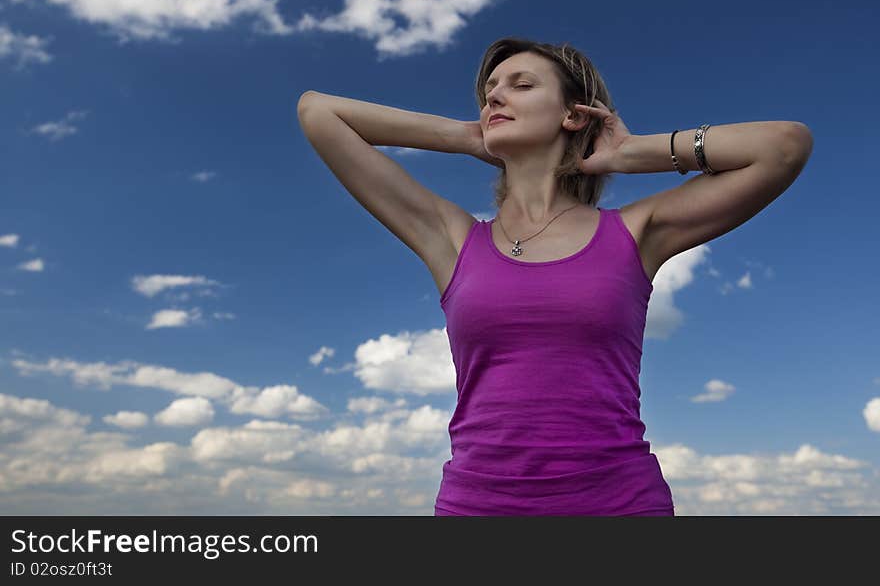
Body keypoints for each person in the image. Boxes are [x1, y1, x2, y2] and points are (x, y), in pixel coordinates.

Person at [296, 36, 813, 516]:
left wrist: (634, 153)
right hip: (478, 506)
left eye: (521, 85)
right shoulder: (453, 239)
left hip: (619, 503)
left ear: (573, 114)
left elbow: (783, 146)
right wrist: (467, 136)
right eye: (489, 92)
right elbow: (318, 111)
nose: (496, 97)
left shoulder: (636, 233)